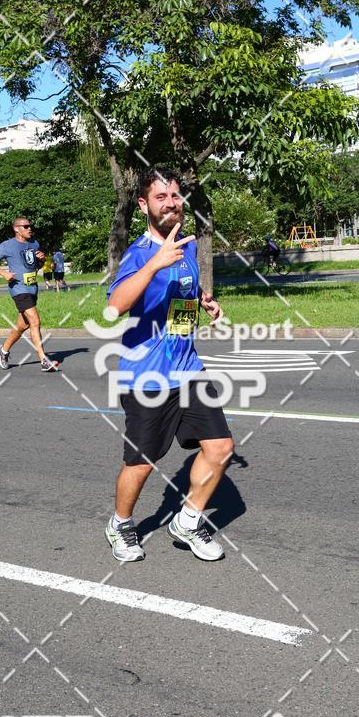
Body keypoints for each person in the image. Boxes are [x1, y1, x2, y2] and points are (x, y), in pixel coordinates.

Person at [104, 167, 234, 564]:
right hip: (146, 375)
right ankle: (120, 523)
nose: (171, 203)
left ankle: (188, 522)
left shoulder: (188, 247)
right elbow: (115, 307)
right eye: (161, 197)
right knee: (142, 462)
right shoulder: (139, 254)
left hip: (187, 368)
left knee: (220, 448)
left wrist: (204, 303)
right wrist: (155, 264)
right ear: (144, 205)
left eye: (175, 196)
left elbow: (183, 294)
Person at [0, 217, 60, 373]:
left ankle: (3, 350)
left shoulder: (34, 243)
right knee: (35, 320)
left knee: (23, 325)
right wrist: (4, 273)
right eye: (25, 226)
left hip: (32, 288)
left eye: (30, 226)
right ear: (16, 229)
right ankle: (44, 360)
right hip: (18, 289)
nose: (29, 229)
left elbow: (35, 266)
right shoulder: (7, 245)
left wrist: (41, 260)